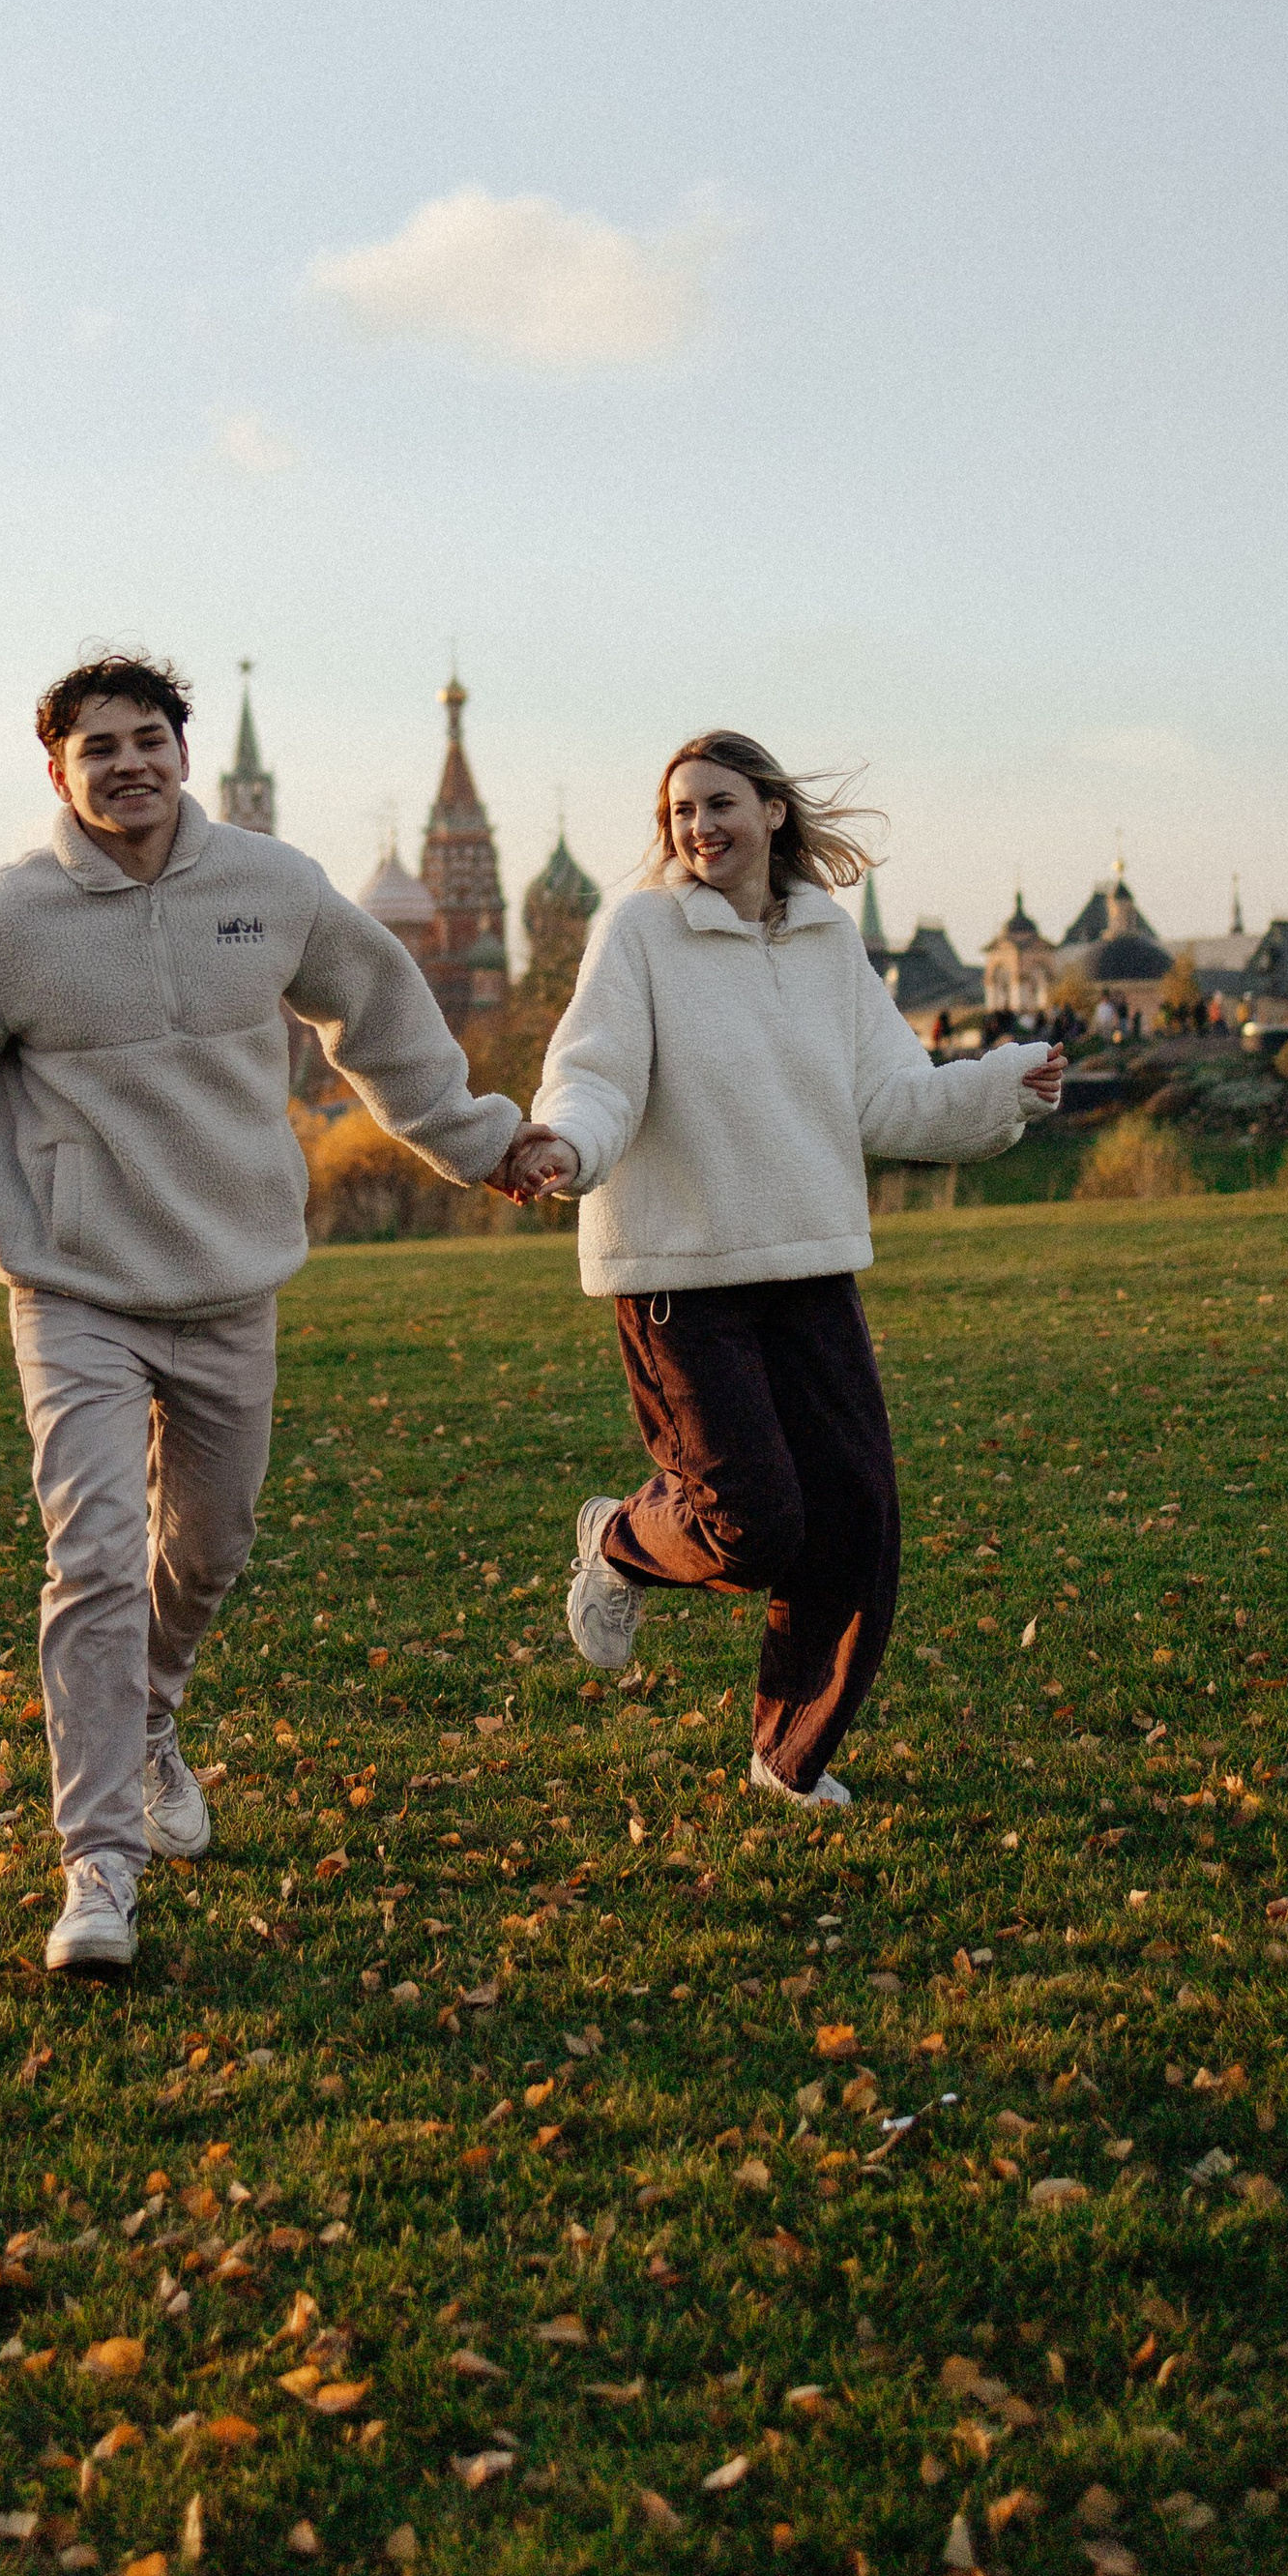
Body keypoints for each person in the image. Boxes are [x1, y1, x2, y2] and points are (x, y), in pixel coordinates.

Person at [0, 651, 530, 1976]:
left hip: (232, 1281)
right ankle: (99, 1867)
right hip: (75, 1290)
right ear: (58, 771)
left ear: (182, 751)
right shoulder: (7, 919)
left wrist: (482, 1141)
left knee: (209, 1549)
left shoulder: (271, 888)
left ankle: (155, 1714)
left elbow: (388, 1025)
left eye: (147, 739)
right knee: (98, 1560)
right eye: (97, 746)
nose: (127, 763)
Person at [508, 730, 1065, 1808]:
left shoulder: (823, 940)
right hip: (680, 1271)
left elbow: (888, 1096)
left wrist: (1002, 1088)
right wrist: (565, 1146)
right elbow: (596, 1074)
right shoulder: (637, 930)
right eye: (680, 813)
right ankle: (621, 1540)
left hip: (808, 1265)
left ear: (771, 812)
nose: (700, 828)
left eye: (720, 805)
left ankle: (788, 1757)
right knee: (750, 1525)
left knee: (854, 1521)